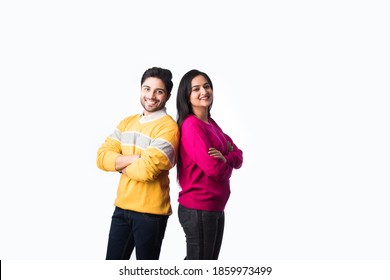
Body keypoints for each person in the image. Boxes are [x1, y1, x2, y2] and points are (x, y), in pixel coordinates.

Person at [96, 67, 179, 260]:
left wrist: (117, 164)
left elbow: (146, 171)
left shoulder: (169, 128)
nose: (151, 96)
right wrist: (135, 158)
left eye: (159, 91)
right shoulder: (127, 123)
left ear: (167, 95)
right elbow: (101, 158)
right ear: (141, 90)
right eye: (147, 89)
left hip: (151, 215)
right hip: (121, 209)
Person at [176, 69, 243, 260]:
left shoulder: (211, 124)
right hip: (199, 208)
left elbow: (239, 156)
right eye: (196, 89)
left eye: (206, 86)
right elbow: (213, 169)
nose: (203, 91)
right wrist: (226, 155)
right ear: (187, 96)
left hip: (215, 208)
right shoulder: (191, 125)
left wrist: (226, 157)